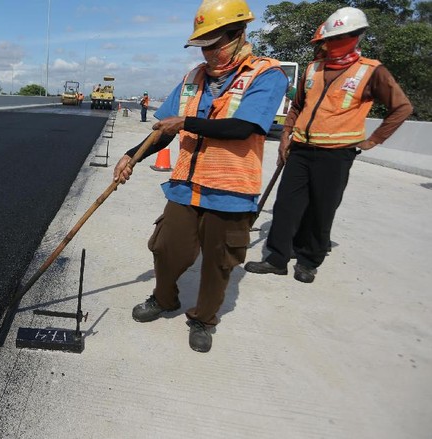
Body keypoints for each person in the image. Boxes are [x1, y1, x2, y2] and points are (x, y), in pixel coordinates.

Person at [112, 0, 287, 352]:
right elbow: (164, 129)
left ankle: (204, 319)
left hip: (231, 190)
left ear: (239, 35)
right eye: (202, 46)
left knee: (218, 263)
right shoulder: (192, 78)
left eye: (214, 44)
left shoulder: (267, 75)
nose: (207, 53)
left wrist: (187, 122)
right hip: (185, 187)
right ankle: (164, 300)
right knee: (165, 248)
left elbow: (245, 127)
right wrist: (132, 155)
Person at [244, 7, 413, 283]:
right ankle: (276, 258)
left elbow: (402, 108)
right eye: (328, 39)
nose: (329, 45)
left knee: (322, 208)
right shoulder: (313, 69)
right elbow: (297, 106)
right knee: (287, 205)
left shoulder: (371, 71)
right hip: (300, 150)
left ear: (356, 36)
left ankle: (308, 260)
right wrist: (285, 136)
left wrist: (373, 140)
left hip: (336, 155)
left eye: (338, 38)